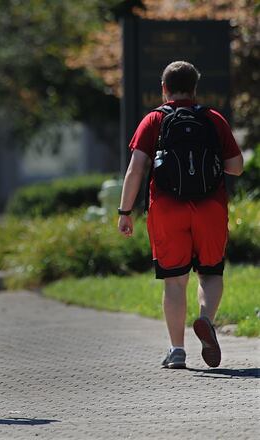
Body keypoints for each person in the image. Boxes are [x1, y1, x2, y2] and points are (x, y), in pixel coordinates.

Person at [117, 61, 243, 369]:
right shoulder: (213, 118)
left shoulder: (154, 120)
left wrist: (125, 211)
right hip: (210, 206)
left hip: (167, 207)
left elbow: (136, 169)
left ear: (163, 88)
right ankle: (205, 320)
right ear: (195, 88)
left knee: (174, 281)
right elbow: (237, 167)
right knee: (210, 273)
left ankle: (176, 351)